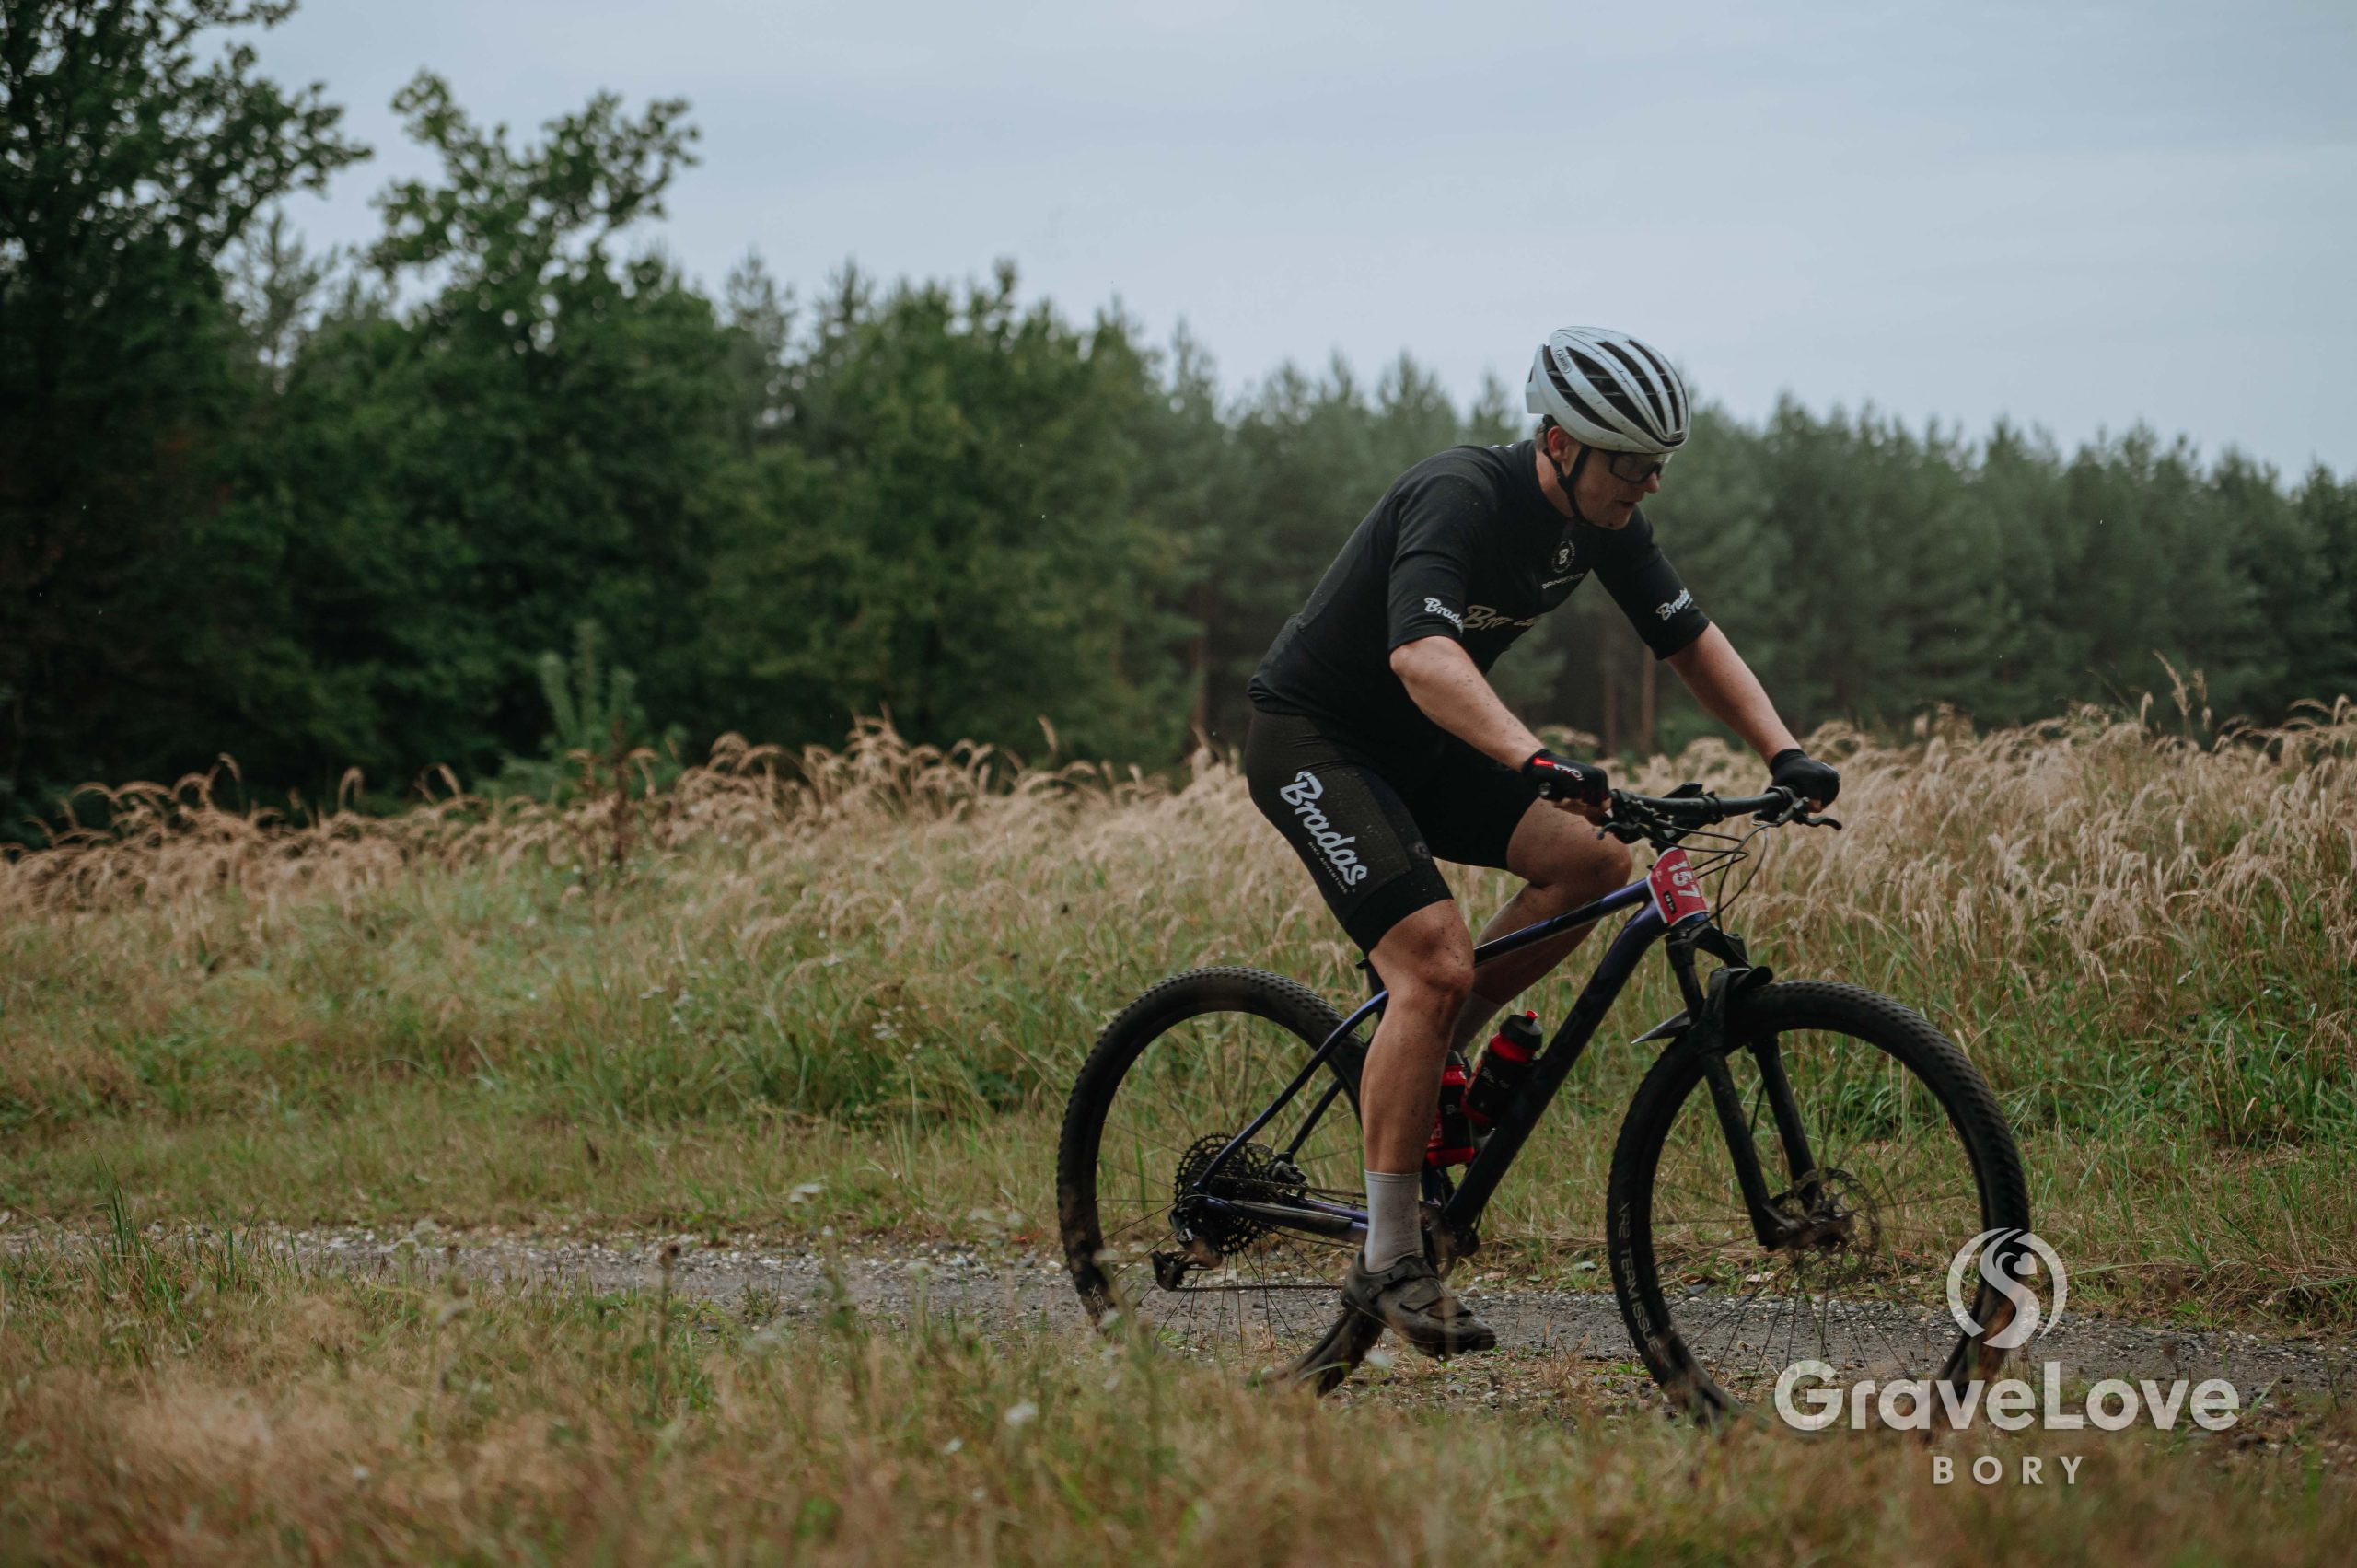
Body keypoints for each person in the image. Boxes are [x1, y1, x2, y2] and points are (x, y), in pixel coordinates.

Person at [1243, 326, 1840, 1355]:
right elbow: (1421, 654)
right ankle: (1389, 1255)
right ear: (1560, 442)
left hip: (1419, 749)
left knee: (1593, 861)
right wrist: (1533, 757)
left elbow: (1687, 636)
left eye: (1659, 464)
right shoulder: (1459, 494)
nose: (1650, 484)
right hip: (1316, 739)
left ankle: (1435, 1046)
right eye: (1632, 463)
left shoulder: (1603, 522)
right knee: (1431, 962)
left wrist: (1783, 750)